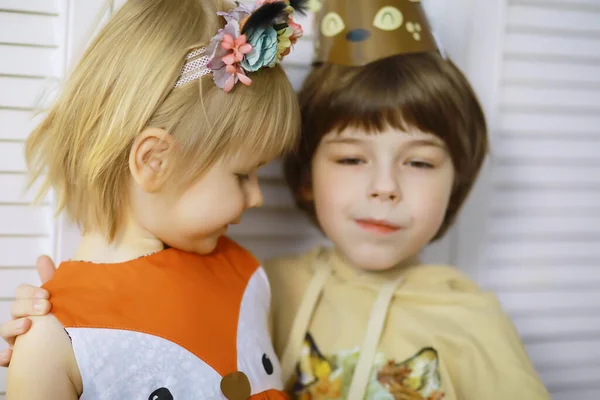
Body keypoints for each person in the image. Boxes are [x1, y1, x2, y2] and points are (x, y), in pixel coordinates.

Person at [2, 0, 306, 398]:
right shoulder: (54, 338)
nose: (257, 198)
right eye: (243, 175)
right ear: (154, 161)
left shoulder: (243, 273)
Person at [262, 0, 551, 398]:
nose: (386, 187)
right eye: (351, 158)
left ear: (456, 186)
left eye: (418, 162)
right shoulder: (267, 290)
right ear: (306, 176)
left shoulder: (474, 322)